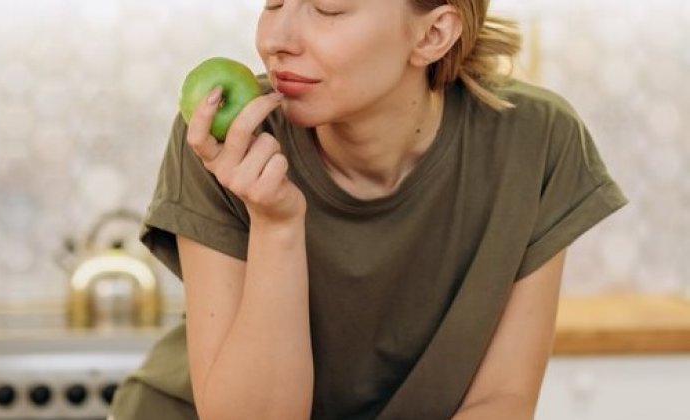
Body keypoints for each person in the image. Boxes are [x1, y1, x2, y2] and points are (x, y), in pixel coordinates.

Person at [109, 0, 628, 419]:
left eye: (328, 10)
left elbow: (501, 401)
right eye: (273, 2)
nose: (275, 40)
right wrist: (276, 225)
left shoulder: (536, 141)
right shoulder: (231, 144)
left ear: (432, 34)